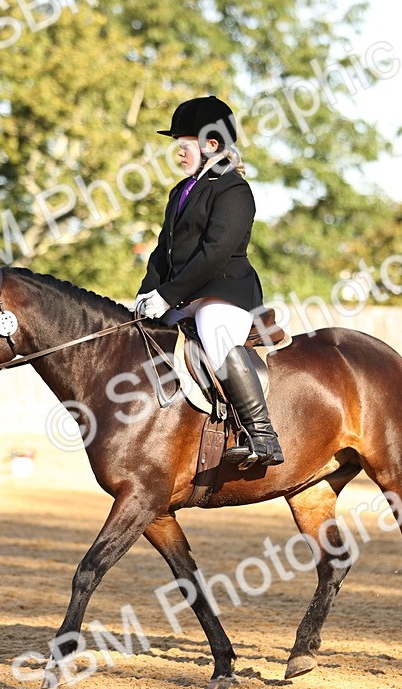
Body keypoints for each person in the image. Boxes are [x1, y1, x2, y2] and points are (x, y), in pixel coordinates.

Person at [134, 96, 284, 469]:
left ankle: (262, 435)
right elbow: (162, 251)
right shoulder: (180, 191)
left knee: (214, 331)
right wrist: (146, 293)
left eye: (183, 146)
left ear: (210, 145)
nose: (179, 154)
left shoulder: (233, 190)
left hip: (225, 293)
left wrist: (168, 295)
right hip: (183, 294)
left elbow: (215, 252)